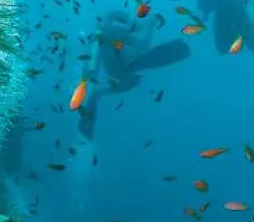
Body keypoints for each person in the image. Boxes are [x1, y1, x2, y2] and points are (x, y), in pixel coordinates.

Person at [77, 9, 191, 138]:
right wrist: (150, 24)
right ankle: (97, 95)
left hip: (118, 66)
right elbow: (140, 42)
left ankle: (96, 96)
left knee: (132, 78)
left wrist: (149, 25)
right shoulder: (115, 32)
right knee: (131, 80)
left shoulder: (107, 32)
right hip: (119, 66)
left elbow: (138, 41)